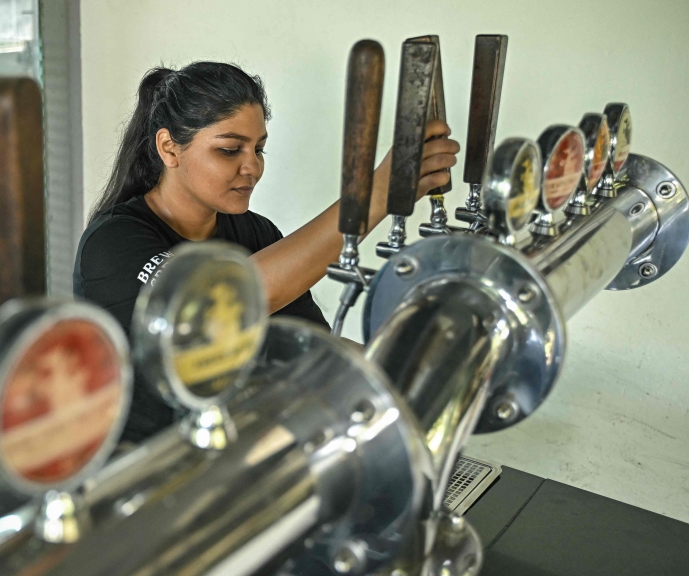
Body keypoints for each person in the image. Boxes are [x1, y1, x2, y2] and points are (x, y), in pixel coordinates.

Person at [74, 62, 459, 443]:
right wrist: (373, 195)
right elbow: (218, 304)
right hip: (142, 468)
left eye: (259, 149)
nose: (252, 167)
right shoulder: (115, 241)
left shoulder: (254, 232)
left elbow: (307, 346)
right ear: (169, 149)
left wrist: (411, 365)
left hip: (235, 451)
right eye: (229, 150)